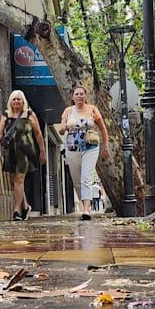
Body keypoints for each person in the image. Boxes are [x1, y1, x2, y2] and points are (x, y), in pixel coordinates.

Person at [0, 90, 46, 220]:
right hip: (11, 151)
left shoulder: (29, 114)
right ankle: (25, 206)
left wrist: (42, 152)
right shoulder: (6, 115)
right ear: (10, 101)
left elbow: (38, 134)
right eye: (14, 99)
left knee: (19, 179)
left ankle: (16, 211)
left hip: (25, 151)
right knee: (13, 182)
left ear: (23, 101)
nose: (16, 102)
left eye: (19, 99)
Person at [59, 85, 109, 221]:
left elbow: (103, 129)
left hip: (90, 147)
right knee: (77, 181)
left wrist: (105, 147)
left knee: (86, 177)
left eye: (82, 94)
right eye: (77, 94)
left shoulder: (93, 109)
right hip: (72, 149)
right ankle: (84, 204)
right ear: (73, 97)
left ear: (85, 96)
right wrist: (64, 128)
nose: (80, 96)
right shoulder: (68, 111)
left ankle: (86, 210)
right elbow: (62, 127)